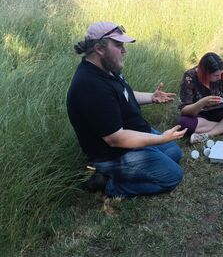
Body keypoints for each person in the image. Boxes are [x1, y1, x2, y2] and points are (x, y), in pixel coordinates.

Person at [67, 21, 187, 197]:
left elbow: (124, 94)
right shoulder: (90, 86)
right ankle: (109, 184)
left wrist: (152, 97)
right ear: (100, 49)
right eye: (118, 45)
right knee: (173, 176)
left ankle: (117, 173)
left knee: (174, 153)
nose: (124, 51)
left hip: (133, 132)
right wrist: (160, 138)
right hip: (114, 153)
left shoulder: (107, 68)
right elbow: (116, 139)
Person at [177, 52, 223, 144]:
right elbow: (185, 110)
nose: (219, 77)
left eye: (220, 74)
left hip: (219, 111)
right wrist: (202, 103)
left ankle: (207, 135)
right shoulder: (190, 77)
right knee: (184, 122)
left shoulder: (221, 75)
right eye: (216, 75)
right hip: (200, 114)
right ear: (204, 73)